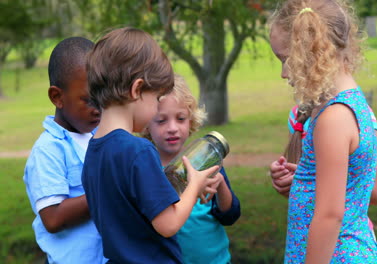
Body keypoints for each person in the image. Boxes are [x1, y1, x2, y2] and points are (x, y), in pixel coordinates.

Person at [269, 1, 377, 263]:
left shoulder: (333, 118)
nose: (283, 73)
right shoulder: (357, 105)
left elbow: (329, 215)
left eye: (285, 60)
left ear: (312, 52)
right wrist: (308, 180)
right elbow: (375, 189)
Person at [81, 27, 218, 263]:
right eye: (156, 99)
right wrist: (194, 185)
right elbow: (168, 224)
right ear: (137, 89)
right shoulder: (138, 151)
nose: (156, 109)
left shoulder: (93, 152)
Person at [142, 74, 241, 264]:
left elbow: (230, 216)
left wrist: (220, 186)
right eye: (161, 120)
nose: (172, 128)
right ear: (146, 124)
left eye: (180, 119)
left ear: (191, 120)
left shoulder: (206, 162)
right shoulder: (146, 166)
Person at [23, 37, 105, 264]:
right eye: (88, 100)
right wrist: (108, 190)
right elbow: (53, 217)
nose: (98, 109)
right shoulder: (48, 150)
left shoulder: (100, 135)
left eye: (103, 98)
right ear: (57, 97)